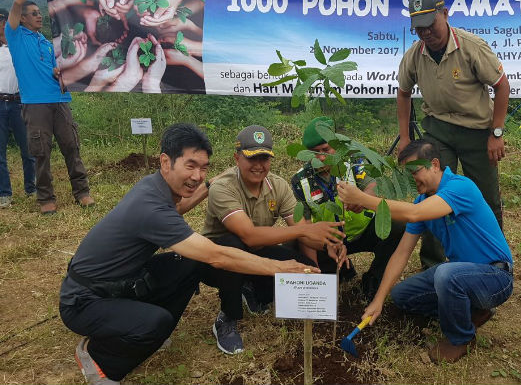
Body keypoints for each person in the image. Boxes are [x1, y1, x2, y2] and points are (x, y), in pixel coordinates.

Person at [59, 123, 319, 385]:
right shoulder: (150, 207)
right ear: (165, 161)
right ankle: (98, 359)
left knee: (188, 264)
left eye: (203, 167)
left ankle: (147, 330)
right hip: (85, 301)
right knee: (155, 322)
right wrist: (280, 267)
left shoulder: (155, 187)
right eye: (190, 165)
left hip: (122, 280)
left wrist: (206, 186)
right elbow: (218, 256)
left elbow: (179, 208)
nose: (197, 175)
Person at [337, 139, 514, 364]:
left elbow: (414, 213)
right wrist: (379, 300)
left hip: (496, 277)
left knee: (445, 275)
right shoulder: (422, 200)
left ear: (435, 164)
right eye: (407, 173)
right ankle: (471, 312)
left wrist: (364, 199)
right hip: (461, 275)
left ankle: (461, 338)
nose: (411, 178)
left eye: (415, 171)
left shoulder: (460, 187)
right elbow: (401, 253)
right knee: (402, 295)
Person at [201, 124, 346, 355]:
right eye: (252, 158)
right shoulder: (223, 187)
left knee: (306, 267)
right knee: (233, 243)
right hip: (215, 260)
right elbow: (248, 235)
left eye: (265, 158)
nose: (259, 166)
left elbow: (300, 228)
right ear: (236, 158)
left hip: (256, 252)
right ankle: (227, 318)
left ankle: (251, 289)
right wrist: (304, 232)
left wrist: (329, 243)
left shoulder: (277, 185)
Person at [396, 0, 511, 269]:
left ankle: (493, 266)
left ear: (445, 14)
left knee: (485, 197)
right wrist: (404, 136)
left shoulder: (471, 47)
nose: (426, 34)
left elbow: (501, 85)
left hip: (476, 133)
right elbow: (403, 92)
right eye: (418, 28)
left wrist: (496, 133)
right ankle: (433, 266)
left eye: (430, 26)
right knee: (432, 195)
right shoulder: (414, 55)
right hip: (438, 130)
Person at [5, 0, 94, 214]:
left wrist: (59, 72)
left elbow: (59, 68)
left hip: (60, 100)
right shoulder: (16, 36)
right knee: (40, 152)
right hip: (35, 104)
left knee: (71, 147)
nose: (39, 16)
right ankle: (46, 199)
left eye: (39, 13)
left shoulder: (47, 42)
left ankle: (82, 192)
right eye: (34, 14)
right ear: (21, 19)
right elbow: (18, 2)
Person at [290, 116, 405, 300]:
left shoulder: (353, 162)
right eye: (314, 152)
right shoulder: (300, 180)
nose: (321, 157)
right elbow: (305, 227)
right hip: (328, 242)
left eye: (326, 150)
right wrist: (313, 275)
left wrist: (364, 199)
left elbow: (372, 184)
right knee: (293, 242)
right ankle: (338, 271)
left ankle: (373, 280)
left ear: (336, 145)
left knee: (398, 225)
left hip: (362, 231)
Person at [0, 8, 36, 208]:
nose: (1, 25)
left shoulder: (19, 45)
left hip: (19, 102)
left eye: (3, 20)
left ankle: (31, 188)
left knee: (28, 149)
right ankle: (4, 194)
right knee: (0, 152)